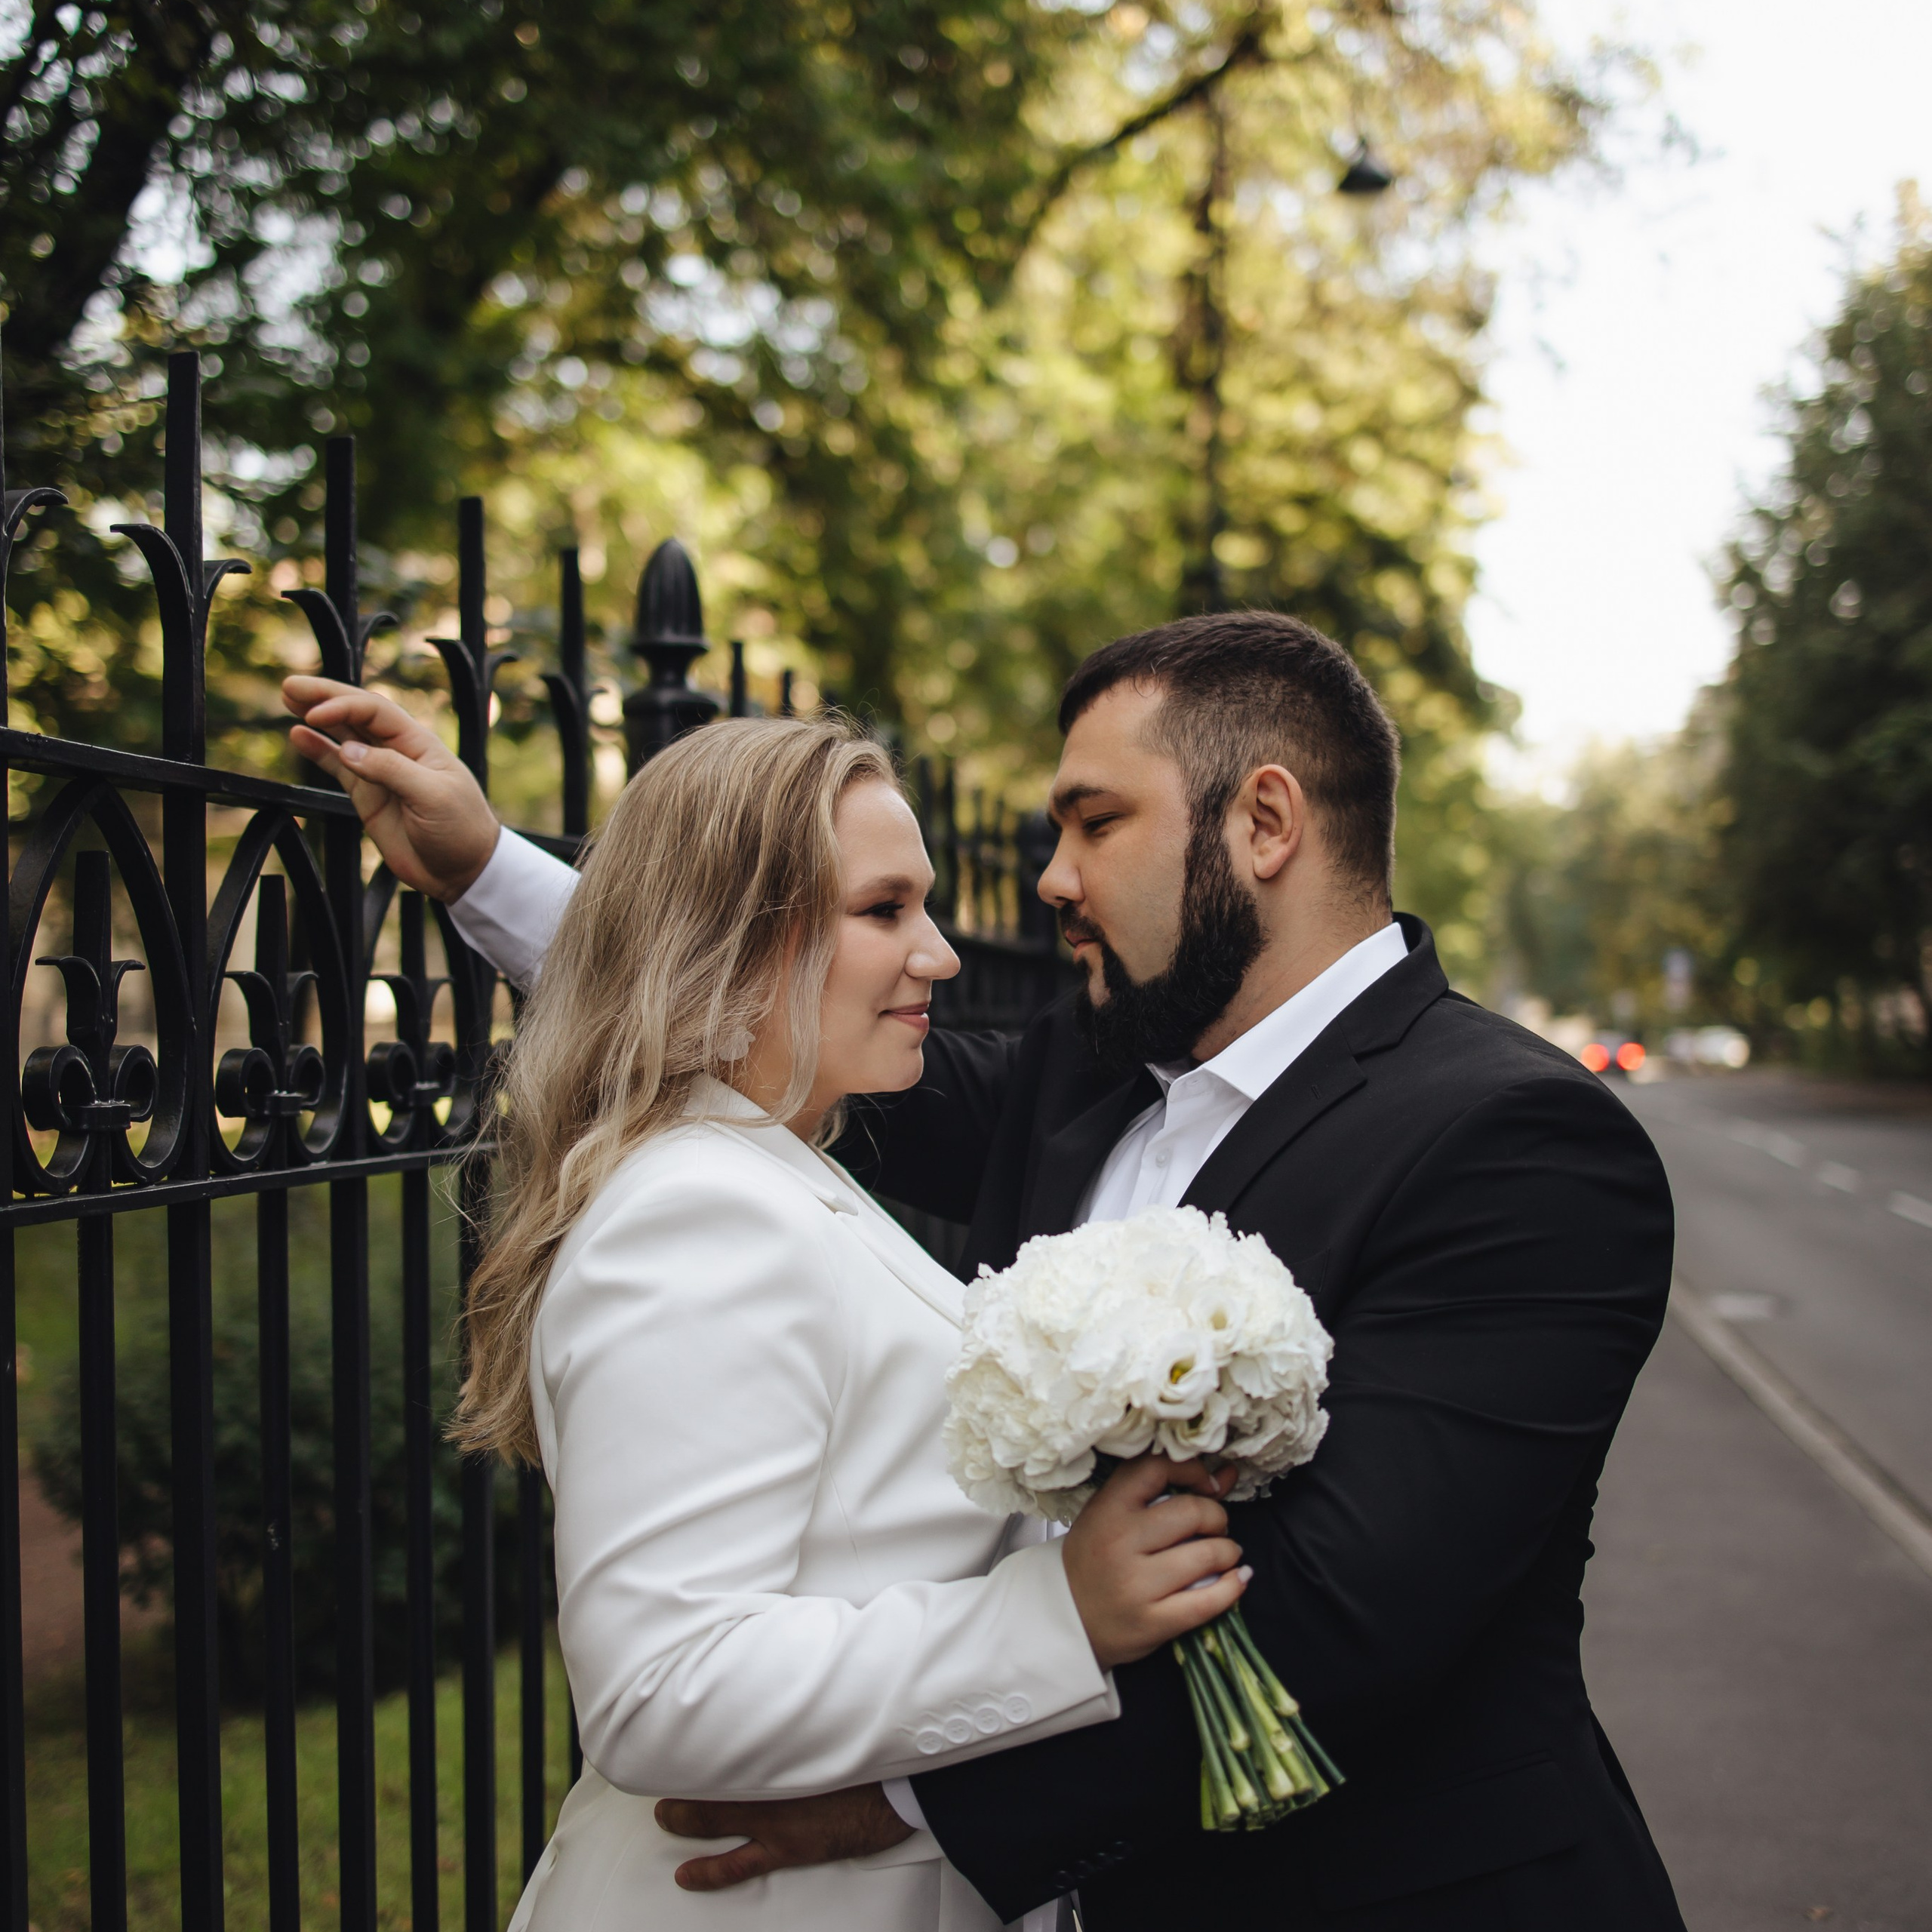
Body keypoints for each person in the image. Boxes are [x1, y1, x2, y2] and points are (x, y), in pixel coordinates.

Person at [283, 608, 1685, 1932]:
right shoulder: (1080, 1077)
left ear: (1265, 823)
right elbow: (751, 993)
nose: (1051, 880)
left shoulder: (1516, 1140)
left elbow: (1341, 1625)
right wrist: (487, 870)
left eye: (1095, 820)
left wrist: (914, 1801)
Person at [395, 714, 1249, 1932]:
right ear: (736, 944)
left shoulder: (779, 1164)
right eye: (885, 910)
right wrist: (1057, 1612)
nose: (941, 955)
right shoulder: (696, 1211)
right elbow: (662, 1689)